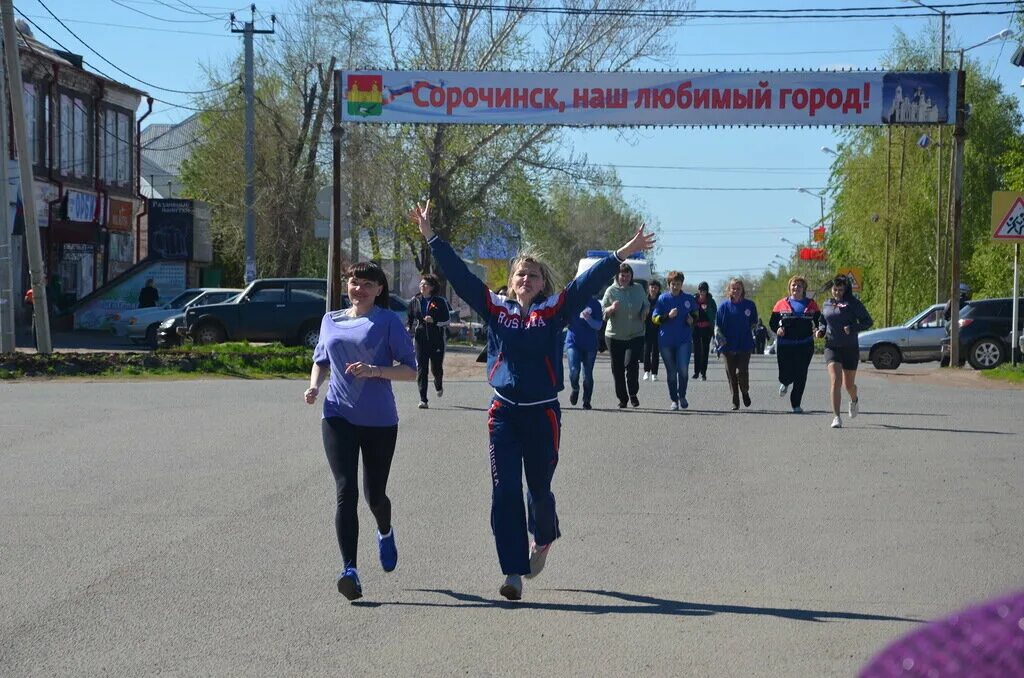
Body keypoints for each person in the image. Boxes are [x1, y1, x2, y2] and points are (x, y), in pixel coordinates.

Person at [412, 199, 654, 601]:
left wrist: (621, 254)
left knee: (538, 491)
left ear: (543, 283)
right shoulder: (494, 307)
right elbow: (458, 274)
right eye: (521, 273)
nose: (526, 278)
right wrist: (430, 236)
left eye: (534, 275)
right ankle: (512, 571)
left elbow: (586, 284)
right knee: (504, 491)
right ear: (511, 280)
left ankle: (543, 537)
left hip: (543, 414)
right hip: (503, 414)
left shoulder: (554, 309)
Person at [303, 261, 417, 601]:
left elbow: (410, 371)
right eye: (355, 282)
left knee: (375, 495)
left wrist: (375, 370)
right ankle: (349, 569)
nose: (359, 289)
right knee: (345, 490)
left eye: (368, 284)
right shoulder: (331, 320)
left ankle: (385, 531)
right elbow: (321, 359)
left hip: (380, 420)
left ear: (379, 290)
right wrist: (313, 386)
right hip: (337, 414)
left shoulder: (387, 322)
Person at [816, 275, 873, 429]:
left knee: (849, 385)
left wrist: (852, 328)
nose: (837, 293)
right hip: (832, 347)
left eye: (841, 290)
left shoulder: (853, 304)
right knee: (836, 380)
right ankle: (836, 417)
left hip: (850, 348)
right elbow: (823, 321)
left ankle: (854, 400)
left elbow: (868, 321)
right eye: (835, 289)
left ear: (846, 289)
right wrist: (820, 330)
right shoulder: (827, 303)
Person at [769, 276, 821, 414]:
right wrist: (777, 329)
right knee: (785, 375)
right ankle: (785, 382)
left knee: (801, 374)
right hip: (785, 345)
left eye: (799, 286)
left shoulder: (811, 304)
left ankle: (796, 404)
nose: (796, 288)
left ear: (804, 289)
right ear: (789, 287)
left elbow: (819, 322)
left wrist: (819, 330)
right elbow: (772, 323)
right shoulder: (780, 304)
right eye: (793, 285)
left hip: (805, 345)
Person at [602, 263, 650, 408]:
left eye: (627, 275)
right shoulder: (611, 291)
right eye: (622, 275)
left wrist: (644, 312)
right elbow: (603, 313)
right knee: (617, 368)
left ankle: (633, 394)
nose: (625, 278)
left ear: (631, 277)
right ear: (618, 276)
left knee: (631, 364)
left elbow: (646, 304)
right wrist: (611, 308)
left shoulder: (638, 289)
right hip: (614, 336)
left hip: (636, 334)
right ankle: (622, 398)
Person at [651, 271, 696, 410]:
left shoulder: (688, 299)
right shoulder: (662, 299)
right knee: (671, 372)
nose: (675, 286)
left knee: (683, 370)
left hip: (684, 340)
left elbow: (696, 315)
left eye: (678, 284)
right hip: (666, 341)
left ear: (681, 284)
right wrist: (668, 316)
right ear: (668, 284)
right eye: (672, 284)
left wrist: (691, 320)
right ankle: (674, 400)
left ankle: (682, 395)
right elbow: (654, 318)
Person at [408, 274, 451, 409]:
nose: (422, 286)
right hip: (420, 338)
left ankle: (438, 385)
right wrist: (409, 328)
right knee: (422, 368)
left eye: (425, 284)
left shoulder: (440, 301)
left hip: (436, 339)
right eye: (421, 284)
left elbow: (447, 320)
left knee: (436, 368)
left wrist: (435, 321)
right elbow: (410, 316)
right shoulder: (415, 300)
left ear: (432, 287)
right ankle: (423, 399)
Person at [715, 278, 758, 410]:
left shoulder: (749, 305)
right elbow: (717, 325)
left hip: (745, 343)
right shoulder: (723, 307)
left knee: (742, 371)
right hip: (727, 345)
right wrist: (719, 339)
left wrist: (746, 330)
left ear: (742, 290)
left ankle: (744, 391)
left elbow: (753, 322)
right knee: (731, 373)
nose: (736, 291)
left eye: (738, 288)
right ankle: (735, 399)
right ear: (729, 290)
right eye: (733, 288)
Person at [565, 294, 603, 410]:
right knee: (574, 370)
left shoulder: (595, 304)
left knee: (587, 375)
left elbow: (598, 325)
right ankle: (575, 388)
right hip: (573, 342)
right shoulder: (571, 300)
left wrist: (589, 319)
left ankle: (587, 400)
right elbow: (563, 319)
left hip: (590, 344)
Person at [692, 281, 716, 381]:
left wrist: (707, 311)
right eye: (700, 290)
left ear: (707, 291)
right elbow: (689, 311)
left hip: (706, 329)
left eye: (704, 290)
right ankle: (696, 372)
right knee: (697, 350)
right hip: (696, 328)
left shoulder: (711, 301)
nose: (702, 292)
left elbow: (714, 313)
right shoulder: (694, 300)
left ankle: (703, 373)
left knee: (705, 351)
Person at [476, 285, 507, 363]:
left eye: (506, 294)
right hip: (495, 349)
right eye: (501, 294)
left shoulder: (516, 310)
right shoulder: (492, 311)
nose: (503, 296)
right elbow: (486, 327)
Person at [642, 280, 662, 382]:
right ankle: (646, 371)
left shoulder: (661, 300)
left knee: (655, 352)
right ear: (648, 288)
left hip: (658, 329)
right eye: (652, 287)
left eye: (655, 288)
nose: (653, 289)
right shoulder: (644, 300)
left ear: (658, 289)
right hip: (646, 329)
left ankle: (654, 373)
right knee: (646, 351)